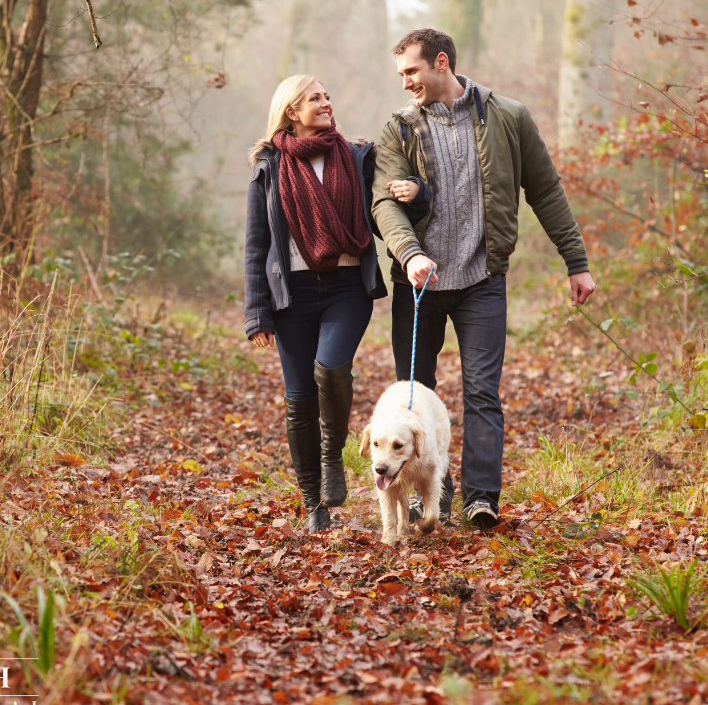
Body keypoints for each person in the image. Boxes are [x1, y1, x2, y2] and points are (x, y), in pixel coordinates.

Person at [372, 28, 597, 531]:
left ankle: (480, 498)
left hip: (482, 281)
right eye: (402, 74)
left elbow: (546, 190)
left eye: (412, 71)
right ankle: (424, 497)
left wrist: (575, 261)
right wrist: (409, 254)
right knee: (415, 396)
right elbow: (384, 203)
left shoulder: (508, 117)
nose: (406, 82)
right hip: (419, 285)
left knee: (482, 394)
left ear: (442, 63)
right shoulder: (398, 130)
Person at [243, 75, 429, 532]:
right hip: (292, 296)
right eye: (315, 98)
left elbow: (389, 212)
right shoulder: (269, 165)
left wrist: (417, 197)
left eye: (326, 96)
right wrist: (257, 312)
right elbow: (256, 243)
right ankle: (314, 504)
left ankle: (333, 454)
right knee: (299, 399)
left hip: (346, 286)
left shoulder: (356, 156)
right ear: (292, 111)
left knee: (330, 366)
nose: (326, 103)